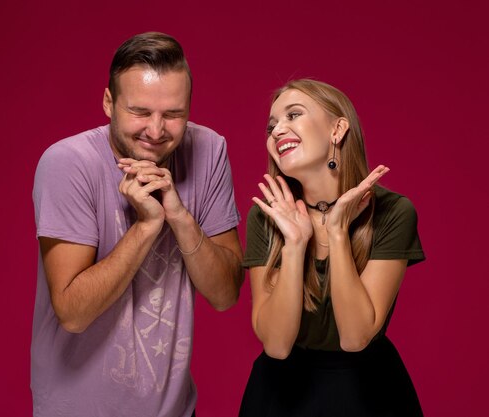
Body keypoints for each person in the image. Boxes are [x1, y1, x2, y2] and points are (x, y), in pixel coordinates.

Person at [31, 32, 243, 417]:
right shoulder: (67, 163)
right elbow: (73, 313)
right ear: (109, 103)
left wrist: (178, 215)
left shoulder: (209, 150)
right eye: (141, 112)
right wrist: (147, 226)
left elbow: (225, 294)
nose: (157, 130)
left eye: (174, 114)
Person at [239, 79, 425, 416]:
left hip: (367, 394)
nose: (277, 130)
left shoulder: (393, 211)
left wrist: (337, 231)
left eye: (293, 115)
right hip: (280, 396)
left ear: (337, 129)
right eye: (271, 126)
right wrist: (295, 244)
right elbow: (277, 346)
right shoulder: (266, 216)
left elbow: (355, 338)